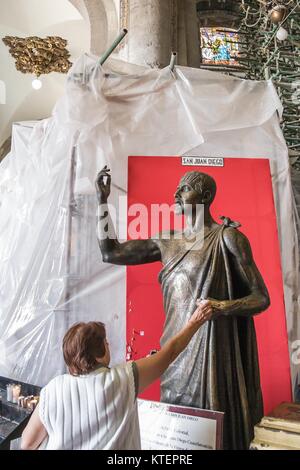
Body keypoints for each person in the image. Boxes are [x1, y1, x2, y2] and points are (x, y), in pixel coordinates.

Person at [95, 166, 270, 450]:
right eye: (177, 187)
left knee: (213, 435)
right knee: (178, 439)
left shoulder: (228, 238)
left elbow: (261, 297)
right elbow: (110, 252)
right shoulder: (167, 240)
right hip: (175, 352)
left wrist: (223, 306)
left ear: (206, 195)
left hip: (211, 355)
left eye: (185, 188)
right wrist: (101, 202)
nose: (176, 193)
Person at [21, 301, 212, 450]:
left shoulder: (52, 389)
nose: (109, 345)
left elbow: (27, 444)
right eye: (106, 342)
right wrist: (196, 320)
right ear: (100, 351)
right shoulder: (124, 378)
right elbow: (169, 353)